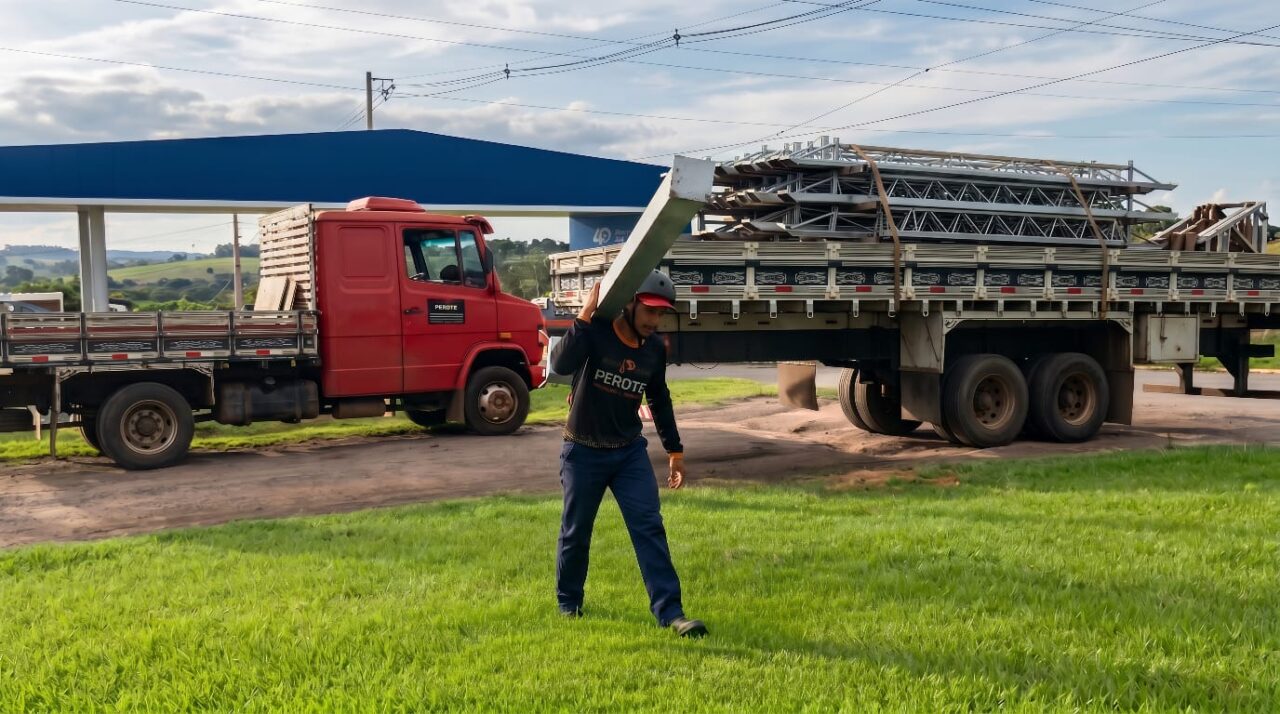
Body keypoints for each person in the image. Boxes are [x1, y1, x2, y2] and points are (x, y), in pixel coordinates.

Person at [549, 271, 708, 638]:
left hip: (628, 454)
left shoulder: (654, 349)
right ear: (631, 304)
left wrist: (675, 450)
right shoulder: (596, 333)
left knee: (649, 528)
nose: (654, 320)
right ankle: (569, 603)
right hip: (582, 450)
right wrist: (584, 316)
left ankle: (671, 613)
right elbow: (560, 364)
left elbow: (659, 399)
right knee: (576, 531)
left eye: (661, 314)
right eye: (649, 311)